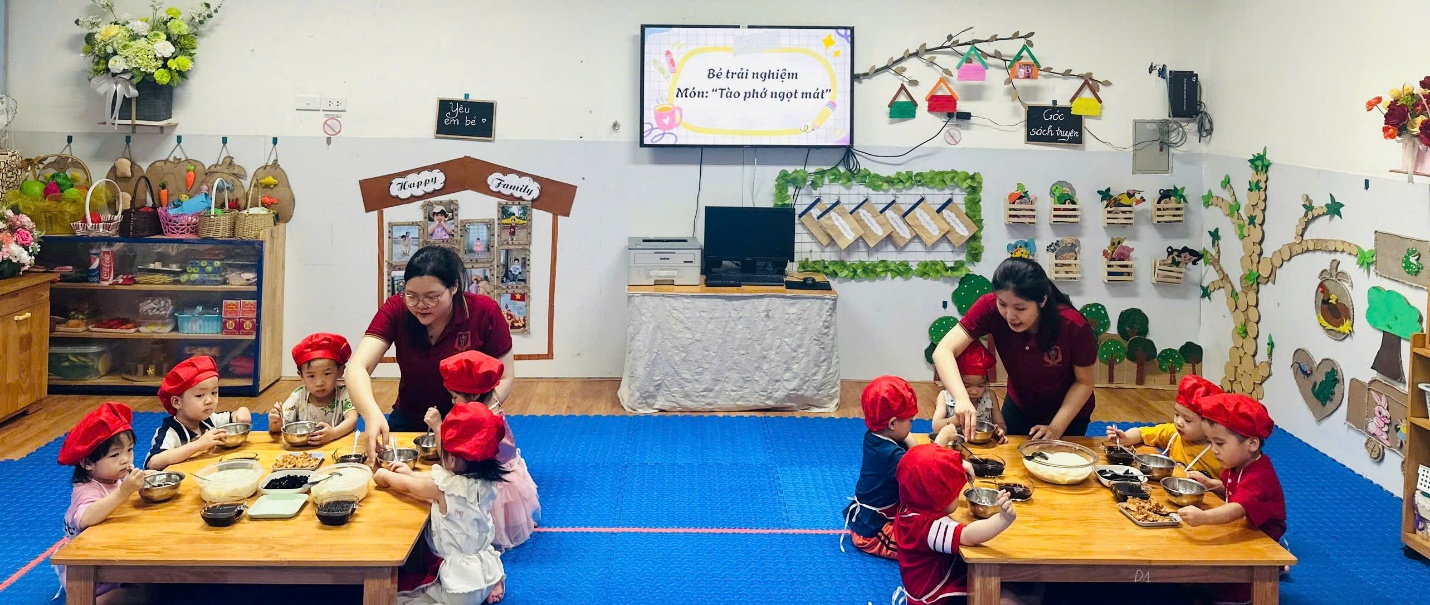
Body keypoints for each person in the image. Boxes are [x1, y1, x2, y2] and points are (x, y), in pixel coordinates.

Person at [347, 246, 515, 459]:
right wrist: (371, 414)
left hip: (470, 423)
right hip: (411, 418)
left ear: (454, 287)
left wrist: (477, 416)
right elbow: (357, 367)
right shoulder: (396, 309)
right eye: (411, 296)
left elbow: (505, 377)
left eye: (432, 297)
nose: (420, 305)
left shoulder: (484, 311)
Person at [932, 258, 1097, 440]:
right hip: (1020, 405)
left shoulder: (1073, 325)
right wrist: (961, 399)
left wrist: (1056, 428)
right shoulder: (989, 307)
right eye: (1002, 304)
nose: (1010, 316)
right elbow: (943, 351)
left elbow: (1084, 383)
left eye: (1020, 308)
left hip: (1067, 413)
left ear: (1042, 300)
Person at [376, 401, 508, 604]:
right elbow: (432, 482)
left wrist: (384, 475)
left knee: (399, 597)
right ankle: (492, 583)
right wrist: (410, 473)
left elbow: (408, 486)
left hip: (458, 588)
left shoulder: (443, 488)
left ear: (452, 460)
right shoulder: (485, 482)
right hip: (483, 573)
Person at [894, 444, 1038, 605]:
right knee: (1005, 599)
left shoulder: (909, 507)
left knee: (1014, 592)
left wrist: (959, 465)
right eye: (955, 493)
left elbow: (924, 465)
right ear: (938, 497)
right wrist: (1002, 519)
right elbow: (969, 536)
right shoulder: (929, 527)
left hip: (929, 584)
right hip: (935, 598)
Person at [1180, 393, 1287, 605]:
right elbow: (1233, 490)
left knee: (1227, 595)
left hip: (1259, 539)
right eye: (1210, 442)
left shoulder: (1258, 477)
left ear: (1252, 443)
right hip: (1243, 528)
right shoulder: (1238, 463)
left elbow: (1236, 508)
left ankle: (1269, 569)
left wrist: (1203, 517)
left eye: (1219, 443)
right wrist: (1211, 484)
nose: (1213, 450)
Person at [437, 350, 541, 549]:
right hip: (508, 470)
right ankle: (516, 524)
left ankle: (499, 532)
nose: (452, 402)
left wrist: (437, 427)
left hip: (492, 480)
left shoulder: (480, 422)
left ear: (475, 395)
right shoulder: (493, 407)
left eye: (455, 397)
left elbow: (455, 462)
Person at [56, 402, 150, 604]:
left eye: (130, 450)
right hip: (91, 568)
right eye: (115, 455)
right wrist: (124, 492)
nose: (126, 459)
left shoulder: (113, 478)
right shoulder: (86, 490)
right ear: (87, 463)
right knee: (142, 594)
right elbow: (86, 517)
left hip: (112, 551)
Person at [1105, 375, 1224, 476]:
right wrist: (1126, 438)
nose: (1179, 422)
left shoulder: (1220, 452)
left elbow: (1230, 489)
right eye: (1176, 414)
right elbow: (1141, 433)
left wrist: (1212, 484)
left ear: (1209, 423)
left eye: (1187, 420)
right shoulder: (1173, 433)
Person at [146, 356, 252, 470]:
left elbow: (234, 416)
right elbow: (153, 463)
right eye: (200, 395)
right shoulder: (170, 432)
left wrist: (243, 412)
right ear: (176, 402)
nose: (209, 400)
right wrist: (198, 445)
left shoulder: (210, 420)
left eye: (214, 393)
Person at [268, 333, 358, 445]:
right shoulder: (298, 395)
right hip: (303, 449)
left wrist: (334, 433)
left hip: (337, 447)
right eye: (311, 376)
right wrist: (275, 423)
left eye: (327, 374)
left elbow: (352, 419)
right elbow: (282, 426)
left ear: (340, 371)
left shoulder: (344, 393)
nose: (319, 383)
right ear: (301, 376)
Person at [932, 339, 1007, 444]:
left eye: (981, 385)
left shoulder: (989, 396)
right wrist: (958, 419)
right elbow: (936, 426)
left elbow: (1001, 424)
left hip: (983, 445)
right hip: (954, 445)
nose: (974, 391)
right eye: (967, 386)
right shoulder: (945, 397)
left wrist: (999, 431)